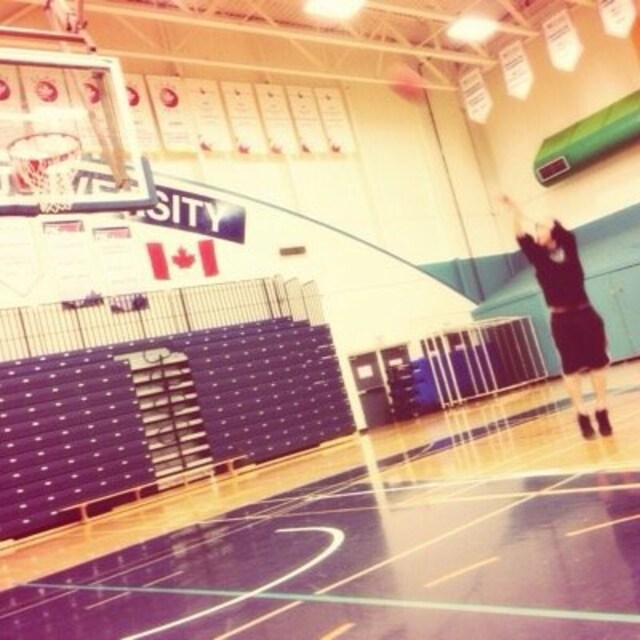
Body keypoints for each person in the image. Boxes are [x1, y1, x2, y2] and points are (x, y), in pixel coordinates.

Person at [501, 194, 612, 440]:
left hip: (586, 314)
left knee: (598, 364)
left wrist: (545, 219)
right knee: (571, 369)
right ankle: (581, 414)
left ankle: (602, 409)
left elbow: (557, 225)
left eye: (540, 228)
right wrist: (515, 210)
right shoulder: (537, 255)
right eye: (536, 230)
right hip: (562, 320)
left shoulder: (569, 245)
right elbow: (519, 234)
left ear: (552, 231)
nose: (537, 232)